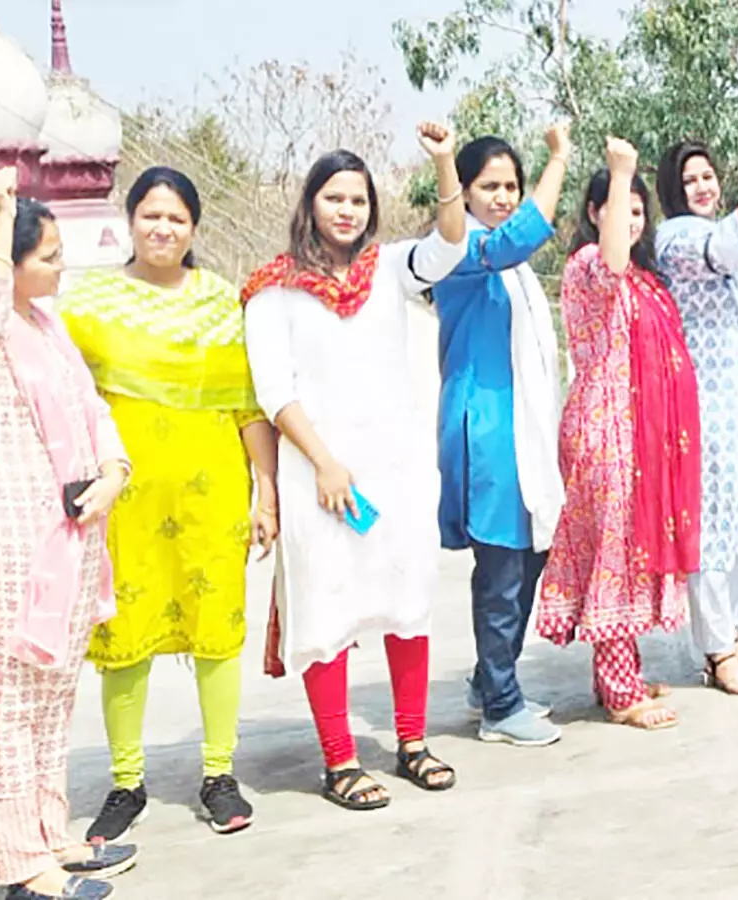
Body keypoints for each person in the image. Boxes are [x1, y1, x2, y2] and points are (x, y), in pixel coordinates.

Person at [241, 123, 467, 810]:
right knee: (326, 609)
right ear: (310, 203)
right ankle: (339, 761)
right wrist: (324, 464)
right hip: (320, 475)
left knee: (408, 603)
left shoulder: (389, 269)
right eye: (334, 198)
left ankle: (412, 742)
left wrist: (445, 163)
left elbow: (451, 245)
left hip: (394, 467)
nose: (347, 210)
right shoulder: (274, 289)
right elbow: (274, 389)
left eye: (359, 200)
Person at [57, 168, 276, 842]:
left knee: (217, 632)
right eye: (151, 215)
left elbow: (248, 406)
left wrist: (266, 490)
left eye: (177, 218)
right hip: (124, 502)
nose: (163, 228)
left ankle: (219, 775)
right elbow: (66, 403)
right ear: (129, 221)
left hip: (214, 496)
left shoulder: (221, 302)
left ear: (193, 228)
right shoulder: (89, 304)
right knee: (124, 637)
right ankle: (126, 783)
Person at [0, 166, 137, 900]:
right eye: (47, 256)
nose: (61, 267)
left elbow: (92, 407)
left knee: (51, 699)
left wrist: (114, 470)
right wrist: (1, 211)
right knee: (7, 708)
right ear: (6, 262)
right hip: (9, 548)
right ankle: (21, 866)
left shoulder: (48, 326)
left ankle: (50, 838)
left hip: (71, 540)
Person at [536, 137, 701, 728]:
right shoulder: (590, 266)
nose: (630, 221)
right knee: (612, 552)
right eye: (617, 208)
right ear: (593, 213)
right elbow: (609, 263)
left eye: (637, 211)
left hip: (639, 431)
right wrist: (622, 169)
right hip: (606, 428)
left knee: (630, 550)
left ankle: (621, 671)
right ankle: (620, 691)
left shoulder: (642, 278)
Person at [431, 124, 571, 747]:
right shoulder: (458, 249)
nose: (504, 197)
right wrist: (559, 159)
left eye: (512, 185)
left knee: (530, 553)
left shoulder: (511, 268)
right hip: (487, 428)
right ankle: (500, 705)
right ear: (461, 192)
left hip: (523, 428)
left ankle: (491, 680)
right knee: (501, 567)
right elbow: (519, 237)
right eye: (490, 186)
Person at [655, 126, 738, 695]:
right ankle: (713, 650)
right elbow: (732, 248)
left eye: (708, 176)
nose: (702, 187)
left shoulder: (730, 229)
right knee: (712, 527)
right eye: (689, 180)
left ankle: (731, 630)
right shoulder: (676, 237)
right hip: (707, 407)